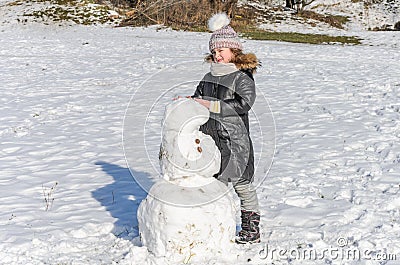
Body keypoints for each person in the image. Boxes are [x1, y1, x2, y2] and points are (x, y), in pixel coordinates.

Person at [191, 12, 261, 244]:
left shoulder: (242, 77)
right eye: (214, 51)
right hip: (212, 140)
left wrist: (210, 105)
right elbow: (197, 101)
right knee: (215, 185)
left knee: (242, 184)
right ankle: (215, 224)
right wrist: (187, 105)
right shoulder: (207, 77)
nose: (217, 55)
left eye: (221, 51)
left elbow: (243, 103)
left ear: (234, 51)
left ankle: (251, 226)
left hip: (235, 141)